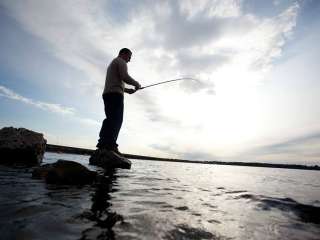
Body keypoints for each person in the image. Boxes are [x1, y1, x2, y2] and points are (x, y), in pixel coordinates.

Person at [96, 48, 141, 156]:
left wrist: (126, 90)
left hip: (108, 94)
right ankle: (111, 145)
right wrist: (136, 84)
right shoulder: (120, 61)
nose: (129, 60)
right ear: (123, 53)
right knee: (117, 120)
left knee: (110, 119)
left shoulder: (114, 62)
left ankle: (103, 143)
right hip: (115, 95)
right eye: (129, 56)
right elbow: (124, 76)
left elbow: (116, 82)